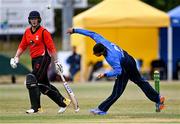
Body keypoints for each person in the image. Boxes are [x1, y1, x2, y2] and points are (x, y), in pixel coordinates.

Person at [66, 28, 165, 115]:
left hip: (125, 65)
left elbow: (118, 71)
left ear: (101, 53)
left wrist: (105, 74)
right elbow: (91, 33)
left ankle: (101, 110)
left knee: (117, 90)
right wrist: (74, 31)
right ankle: (158, 98)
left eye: (95, 54)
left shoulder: (111, 57)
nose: (94, 54)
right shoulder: (100, 41)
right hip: (128, 58)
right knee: (140, 82)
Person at [10, 11, 71, 114]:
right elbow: (22, 46)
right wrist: (16, 57)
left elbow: (52, 48)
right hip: (34, 60)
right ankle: (63, 102)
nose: (34, 21)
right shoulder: (27, 32)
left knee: (31, 79)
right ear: (29, 20)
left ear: (39, 20)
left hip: (43, 58)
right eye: (32, 19)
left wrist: (56, 62)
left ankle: (36, 107)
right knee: (43, 85)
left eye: (36, 19)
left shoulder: (44, 32)